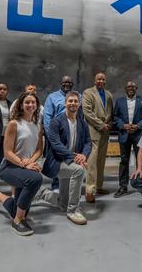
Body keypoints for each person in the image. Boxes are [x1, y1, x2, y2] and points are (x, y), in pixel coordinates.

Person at [0, 92, 43, 236]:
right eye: (27, 102)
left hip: (25, 168)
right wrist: (24, 164)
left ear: (37, 105)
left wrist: (30, 161)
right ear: (21, 105)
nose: (30, 105)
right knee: (36, 179)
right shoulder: (14, 124)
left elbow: (39, 150)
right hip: (10, 167)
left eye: (33, 103)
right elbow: (7, 153)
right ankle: (18, 221)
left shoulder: (38, 125)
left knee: (17, 208)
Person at [39, 91, 91, 225]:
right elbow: (56, 144)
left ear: (79, 104)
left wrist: (83, 155)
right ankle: (73, 210)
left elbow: (88, 142)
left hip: (71, 161)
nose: (73, 103)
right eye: (70, 101)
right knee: (79, 170)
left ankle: (41, 193)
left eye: (75, 101)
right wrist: (75, 157)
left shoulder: (82, 123)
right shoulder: (56, 121)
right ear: (65, 103)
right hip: (57, 162)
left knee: (62, 204)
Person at [112, 81, 142, 198]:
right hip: (124, 134)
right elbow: (115, 117)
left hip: (138, 134)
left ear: (136, 88)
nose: (131, 88)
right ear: (125, 88)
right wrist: (123, 126)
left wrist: (137, 126)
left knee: (140, 162)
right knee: (124, 161)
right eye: (128, 86)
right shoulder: (119, 101)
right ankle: (123, 187)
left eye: (133, 87)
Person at [42, 77, 79, 193]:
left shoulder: (77, 96)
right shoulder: (52, 97)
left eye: (69, 82)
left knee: (70, 158)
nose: (67, 84)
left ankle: (68, 185)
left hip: (72, 131)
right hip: (57, 133)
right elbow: (47, 117)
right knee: (57, 159)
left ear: (72, 84)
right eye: (64, 82)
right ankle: (56, 186)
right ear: (61, 83)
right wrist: (51, 136)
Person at [82, 72, 113, 203]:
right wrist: (101, 125)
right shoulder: (88, 93)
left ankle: (98, 187)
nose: (101, 81)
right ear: (94, 80)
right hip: (93, 130)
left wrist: (108, 124)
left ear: (105, 81)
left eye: (103, 79)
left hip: (105, 132)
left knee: (101, 161)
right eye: (98, 79)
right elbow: (87, 112)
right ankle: (89, 190)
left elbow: (110, 112)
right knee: (92, 163)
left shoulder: (109, 94)